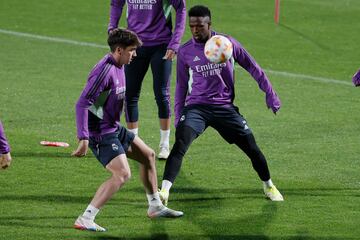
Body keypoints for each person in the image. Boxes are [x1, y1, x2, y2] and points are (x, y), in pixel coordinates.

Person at [159, 5, 284, 206]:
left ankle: (268, 185)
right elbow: (181, 86)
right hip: (196, 108)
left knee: (252, 147)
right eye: (192, 26)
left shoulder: (227, 44)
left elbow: (253, 67)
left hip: (224, 107)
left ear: (209, 24)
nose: (195, 30)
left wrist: (270, 94)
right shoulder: (185, 51)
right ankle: (164, 191)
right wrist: (178, 115)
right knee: (180, 143)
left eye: (199, 26)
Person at [72, 28, 183, 232]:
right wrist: (84, 137)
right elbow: (82, 103)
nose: (135, 55)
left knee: (148, 156)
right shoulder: (104, 71)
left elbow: (110, 100)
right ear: (119, 50)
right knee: (122, 174)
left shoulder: (120, 65)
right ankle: (86, 217)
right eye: (132, 50)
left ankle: (155, 206)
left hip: (114, 128)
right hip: (101, 134)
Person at [108, 0, 186, 160]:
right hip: (133, 44)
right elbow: (116, 3)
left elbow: (181, 8)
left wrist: (175, 42)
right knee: (129, 94)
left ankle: (164, 145)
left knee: (161, 94)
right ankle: (133, 143)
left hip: (162, 45)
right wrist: (112, 28)